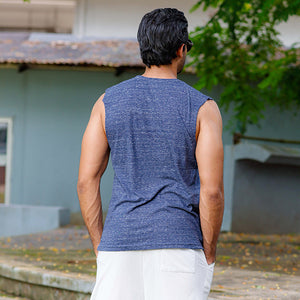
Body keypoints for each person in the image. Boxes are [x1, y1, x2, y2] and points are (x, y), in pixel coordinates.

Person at [77, 7, 224, 300]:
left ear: (142, 48)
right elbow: (212, 192)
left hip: (119, 242)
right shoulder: (202, 108)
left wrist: (101, 245)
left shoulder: (107, 102)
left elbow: (86, 181)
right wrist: (208, 251)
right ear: (182, 49)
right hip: (179, 245)